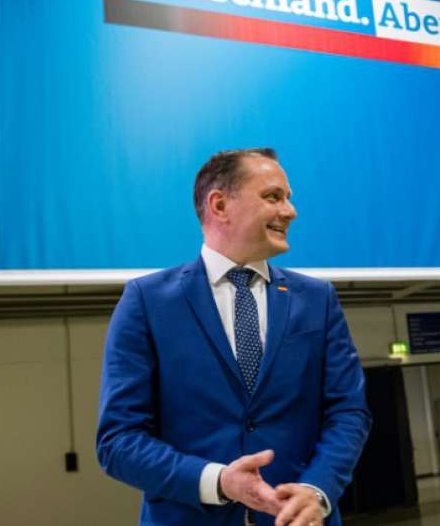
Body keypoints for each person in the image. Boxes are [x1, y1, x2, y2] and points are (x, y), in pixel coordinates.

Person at [97, 148, 371, 526]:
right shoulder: (146, 301)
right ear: (220, 204)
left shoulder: (318, 299)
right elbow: (118, 441)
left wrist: (317, 490)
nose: (290, 211)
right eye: (273, 197)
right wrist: (220, 481)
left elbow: (348, 411)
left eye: (288, 198)